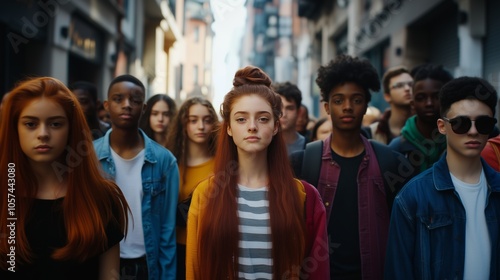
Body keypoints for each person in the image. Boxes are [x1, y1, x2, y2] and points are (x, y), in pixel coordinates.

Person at [186, 66, 329, 279]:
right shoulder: (206, 194)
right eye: (241, 119)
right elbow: (194, 270)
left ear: (275, 126)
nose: (252, 127)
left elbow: (317, 272)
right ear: (229, 128)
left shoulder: (304, 197)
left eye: (263, 118)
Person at [290, 54, 413, 279]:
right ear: (327, 107)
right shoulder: (303, 162)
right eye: (338, 100)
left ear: (366, 106)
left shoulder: (390, 162)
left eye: (356, 100)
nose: (347, 107)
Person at [0, 77, 129, 279]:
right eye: (31, 124)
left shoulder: (101, 199)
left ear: (71, 129)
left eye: (55, 124)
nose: (43, 134)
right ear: (15, 129)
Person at [385, 76, 500, 279]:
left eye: (483, 123)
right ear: (442, 126)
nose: (473, 132)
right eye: (461, 123)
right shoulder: (411, 198)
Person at [93, 74, 179, 279]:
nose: (127, 105)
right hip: (100, 260)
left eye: (135, 100)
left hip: (147, 265)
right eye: (118, 99)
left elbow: (168, 229)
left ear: (144, 107)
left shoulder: (165, 161)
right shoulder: (89, 157)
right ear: (106, 105)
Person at [165, 97, 219, 280]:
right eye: (193, 120)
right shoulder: (171, 163)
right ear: (183, 124)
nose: (201, 126)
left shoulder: (223, 165)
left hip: (212, 248)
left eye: (207, 120)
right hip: (177, 248)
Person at [389, 64, 453, 174]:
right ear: (412, 104)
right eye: (421, 98)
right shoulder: (396, 148)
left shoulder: (458, 143)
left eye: (436, 97)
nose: (429, 103)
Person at [367, 66, 413, 144]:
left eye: (411, 84)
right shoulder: (372, 132)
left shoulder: (424, 127)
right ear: (387, 96)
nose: (407, 88)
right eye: (399, 85)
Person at [273, 81, 306, 154]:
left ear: (299, 112)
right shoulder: (264, 145)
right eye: (278, 108)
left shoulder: (310, 147)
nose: (283, 114)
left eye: (290, 108)